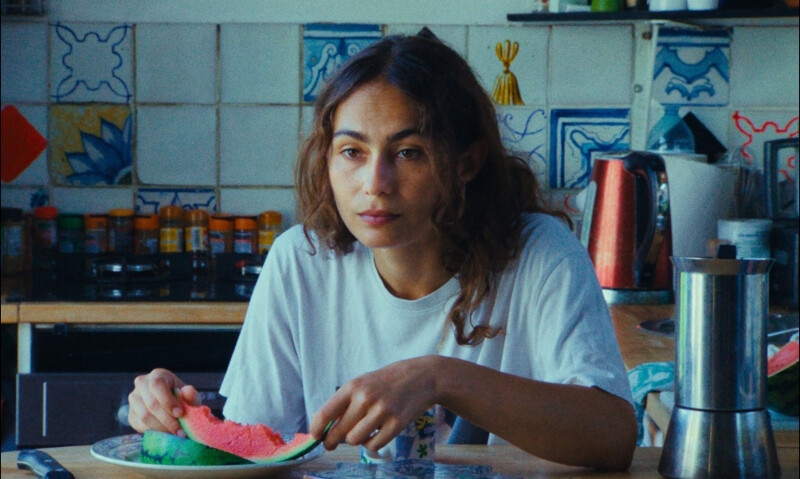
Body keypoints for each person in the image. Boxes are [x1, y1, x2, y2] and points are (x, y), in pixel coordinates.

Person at [128, 30, 638, 470]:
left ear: (467, 162)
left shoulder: (541, 254)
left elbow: (613, 436)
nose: (375, 183)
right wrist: (174, 418)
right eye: (352, 151)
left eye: (408, 152)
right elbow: (249, 445)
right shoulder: (298, 262)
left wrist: (438, 377)